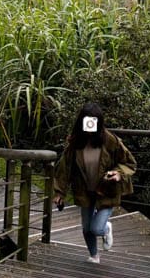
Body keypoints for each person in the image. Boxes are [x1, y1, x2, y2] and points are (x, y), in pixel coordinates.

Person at [53, 102, 136, 263]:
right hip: (84, 190)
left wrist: (118, 173)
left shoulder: (110, 140)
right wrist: (59, 193)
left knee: (96, 228)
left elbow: (129, 163)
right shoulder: (75, 143)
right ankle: (94, 255)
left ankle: (106, 228)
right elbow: (64, 168)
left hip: (106, 190)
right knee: (86, 228)